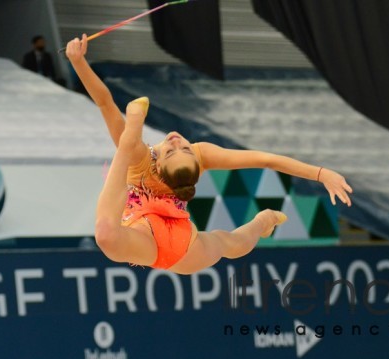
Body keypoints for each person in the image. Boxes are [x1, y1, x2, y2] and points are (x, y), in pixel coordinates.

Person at [65, 35, 353, 275]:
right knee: (109, 235)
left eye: (179, 149)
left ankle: (260, 223)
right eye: (180, 148)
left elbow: (265, 160)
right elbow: (104, 102)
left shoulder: (171, 157)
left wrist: (319, 174)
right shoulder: (171, 157)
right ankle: (263, 222)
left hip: (179, 242)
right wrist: (78, 61)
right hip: (146, 234)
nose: (177, 142)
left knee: (230, 243)